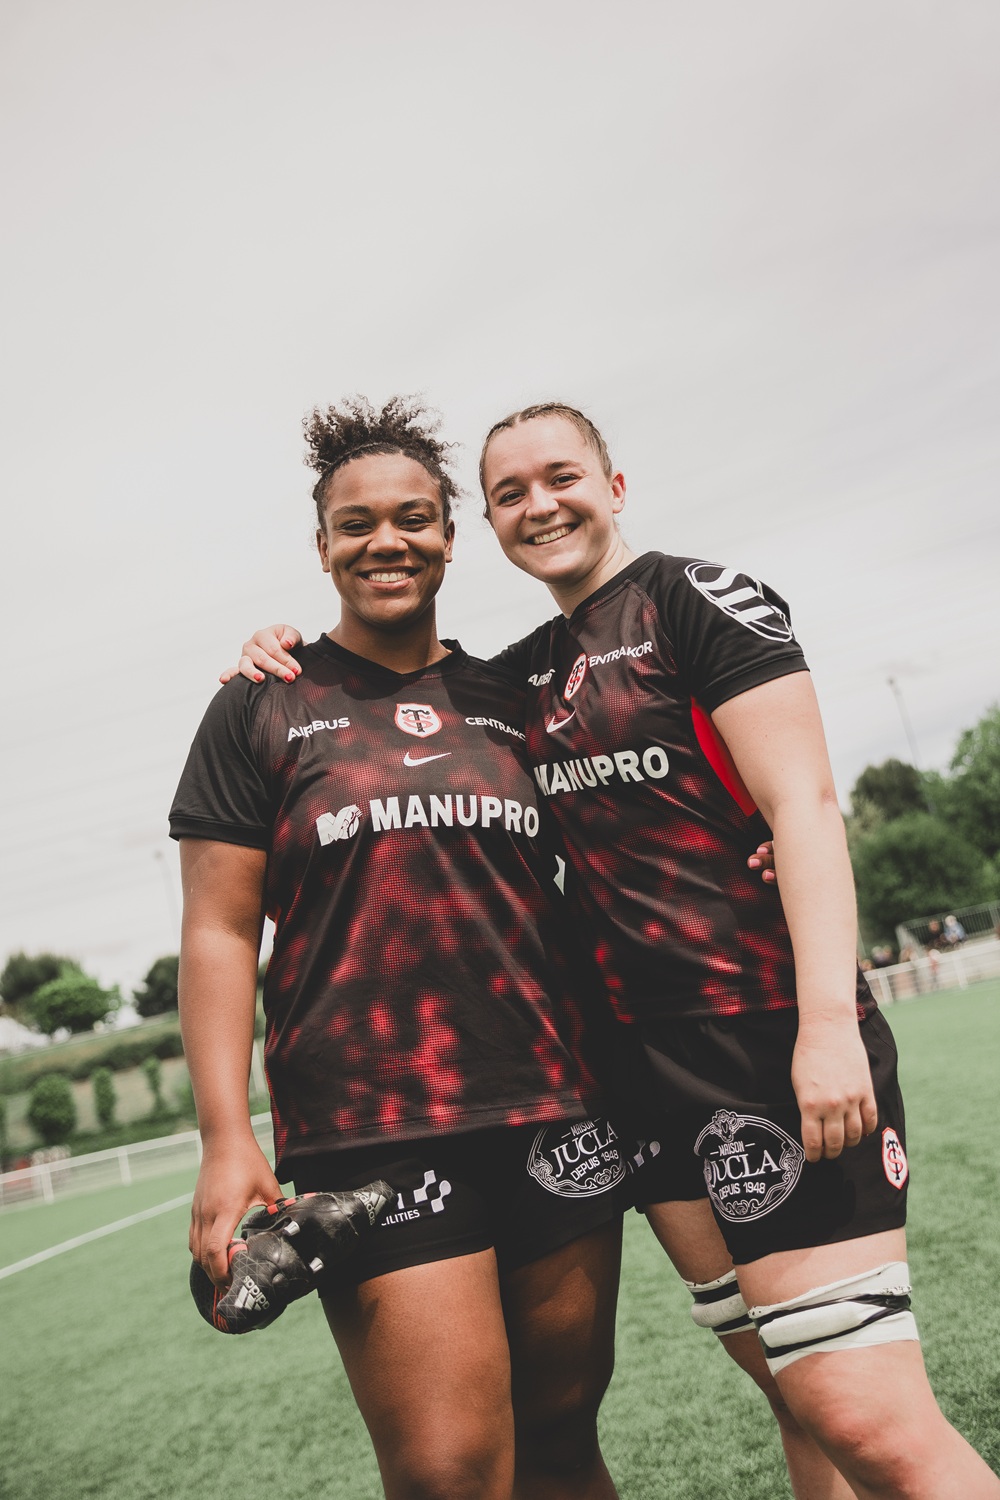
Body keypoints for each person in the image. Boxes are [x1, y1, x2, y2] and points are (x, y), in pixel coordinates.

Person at [238, 401, 1000, 1499]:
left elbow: (807, 807)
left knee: (864, 1417)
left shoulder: (695, 599)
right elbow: (395, 716)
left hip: (765, 1040)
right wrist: (278, 653)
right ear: (486, 525)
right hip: (632, 1081)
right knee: (792, 1389)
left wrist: (826, 1021)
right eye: (511, 494)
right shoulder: (519, 677)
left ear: (615, 483)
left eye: (561, 478)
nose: (539, 505)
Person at [172, 397, 628, 1500]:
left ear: (451, 534)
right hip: (368, 1133)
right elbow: (219, 932)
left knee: (562, 1440)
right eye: (358, 522)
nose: (389, 542)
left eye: (416, 518)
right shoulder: (262, 706)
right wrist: (227, 1139)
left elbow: (628, 824)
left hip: (551, 1108)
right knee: (447, 1472)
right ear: (322, 544)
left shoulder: (513, 696)